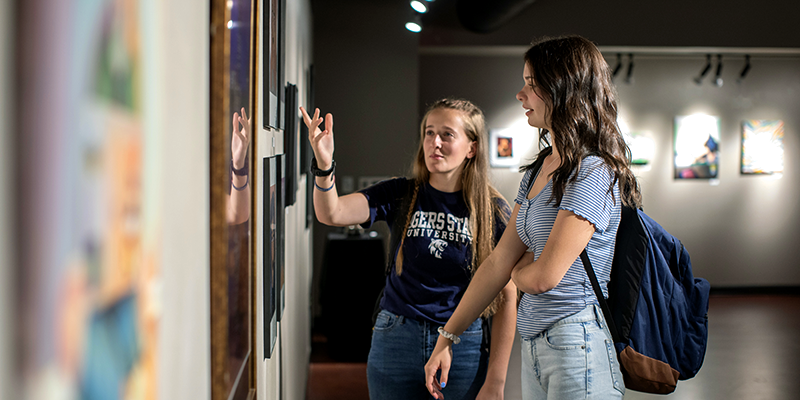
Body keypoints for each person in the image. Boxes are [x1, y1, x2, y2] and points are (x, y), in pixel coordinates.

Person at [425, 36, 642, 400]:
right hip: (537, 344)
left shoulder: (592, 171)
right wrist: (447, 338)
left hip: (578, 345)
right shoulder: (543, 166)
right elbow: (498, 260)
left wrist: (517, 268)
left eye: (530, 84)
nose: (520, 95)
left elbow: (543, 277)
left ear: (563, 89)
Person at [300, 98, 517, 400]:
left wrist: (496, 380)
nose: (434, 143)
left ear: (472, 147)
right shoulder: (400, 193)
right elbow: (332, 213)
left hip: (462, 343)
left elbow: (507, 294)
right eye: (429, 132)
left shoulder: (492, 209)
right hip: (396, 338)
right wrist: (324, 166)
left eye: (447, 134)